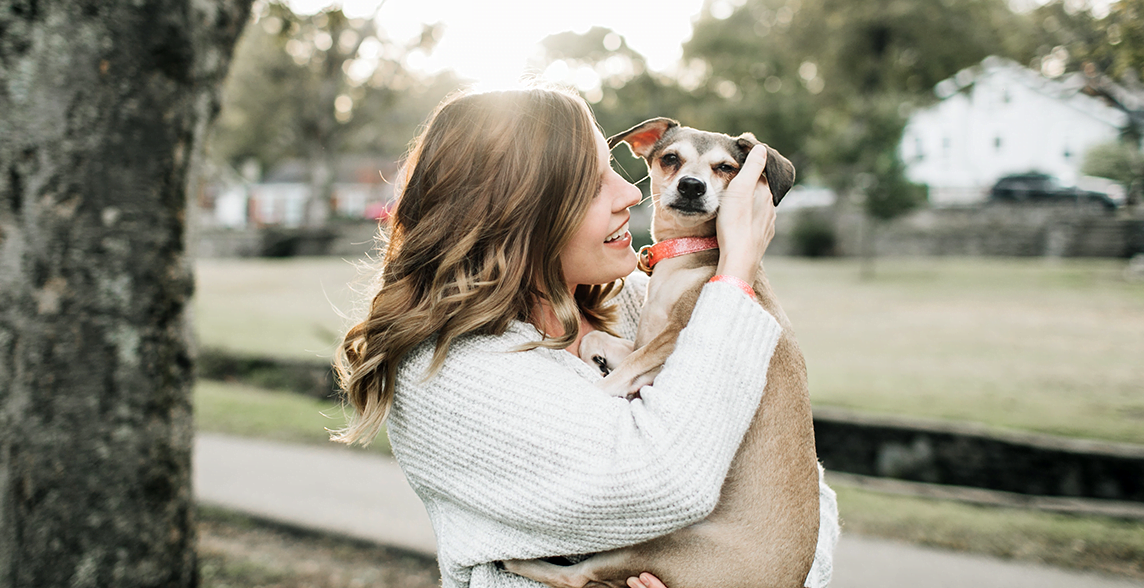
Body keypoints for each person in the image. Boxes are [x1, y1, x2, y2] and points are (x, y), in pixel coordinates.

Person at [333, 85, 838, 588]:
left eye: (616, 169)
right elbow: (664, 484)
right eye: (595, 184)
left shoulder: (636, 301)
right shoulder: (449, 374)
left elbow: (804, 497)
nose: (632, 193)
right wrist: (737, 273)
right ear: (519, 214)